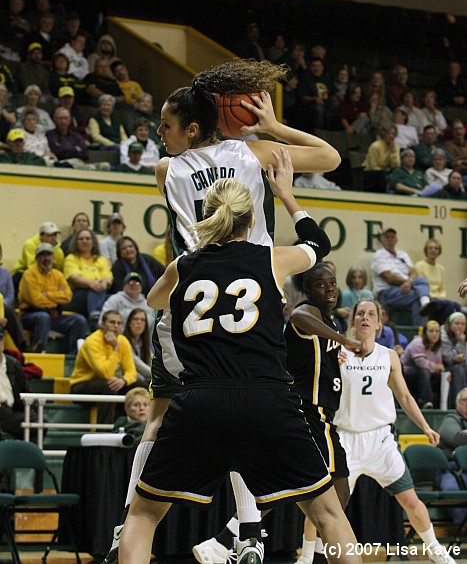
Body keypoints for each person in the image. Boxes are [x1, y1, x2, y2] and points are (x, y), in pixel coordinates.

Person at [102, 58, 341, 564]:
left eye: (166, 126)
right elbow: (330, 157)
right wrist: (273, 126)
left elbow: (154, 297)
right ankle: (250, 529)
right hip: (257, 291)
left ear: (190, 127)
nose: (159, 135)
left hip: (190, 293)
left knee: (162, 419)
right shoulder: (256, 154)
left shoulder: (166, 169)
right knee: (254, 407)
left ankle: (128, 522)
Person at [119, 156, 362, 564]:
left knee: (143, 517)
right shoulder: (270, 258)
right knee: (329, 515)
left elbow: (153, 300)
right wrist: (285, 193)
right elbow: (320, 244)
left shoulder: (183, 266)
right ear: (250, 221)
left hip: (200, 401)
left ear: (207, 217)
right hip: (268, 400)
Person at [334, 299, 456, 564]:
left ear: (379, 323)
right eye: (360, 314)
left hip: (380, 439)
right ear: (353, 320)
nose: (365, 318)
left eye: (371, 315)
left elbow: (405, 397)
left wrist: (425, 427)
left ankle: (436, 552)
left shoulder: (388, 356)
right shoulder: (338, 353)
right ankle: (308, 556)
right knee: (329, 507)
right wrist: (335, 356)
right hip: (346, 439)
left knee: (410, 500)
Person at [284, 262, 364, 564]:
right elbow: (298, 315)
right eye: (320, 284)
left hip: (315, 413)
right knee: (337, 489)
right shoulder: (309, 311)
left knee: (317, 494)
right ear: (307, 290)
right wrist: (343, 339)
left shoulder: (330, 320)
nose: (329, 289)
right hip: (311, 410)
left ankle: (227, 540)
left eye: (332, 283)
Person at [18, 242, 88, 354]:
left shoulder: (58, 275)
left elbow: (68, 296)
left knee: (79, 320)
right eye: (42, 255)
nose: (46, 258)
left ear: (53, 257)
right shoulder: (29, 274)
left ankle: (74, 356)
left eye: (49, 255)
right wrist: (56, 297)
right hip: (30, 316)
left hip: (54, 316)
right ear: (36, 258)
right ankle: (40, 352)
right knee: (43, 317)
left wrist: (47, 294)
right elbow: (35, 300)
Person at [69, 310, 138, 424]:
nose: (116, 326)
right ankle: (103, 432)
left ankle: (129, 427)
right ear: (103, 325)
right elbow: (105, 372)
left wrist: (124, 380)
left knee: (138, 388)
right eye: (112, 322)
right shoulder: (92, 341)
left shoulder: (123, 340)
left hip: (109, 383)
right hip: (81, 386)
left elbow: (132, 372)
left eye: (119, 323)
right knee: (109, 387)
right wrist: (116, 348)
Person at [371, 228, 440, 327]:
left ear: (396, 239)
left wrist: (409, 282)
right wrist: (409, 282)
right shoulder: (378, 256)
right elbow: (389, 277)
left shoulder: (402, 254)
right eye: (387, 237)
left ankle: (419, 331)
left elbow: (413, 272)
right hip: (387, 293)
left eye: (392, 237)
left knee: (421, 283)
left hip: (406, 289)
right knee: (420, 294)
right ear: (381, 240)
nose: (390, 239)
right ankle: (425, 303)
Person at [63, 228, 113, 326]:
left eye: (87, 239)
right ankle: (95, 321)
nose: (84, 241)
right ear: (76, 242)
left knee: (114, 298)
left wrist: (103, 284)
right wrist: (91, 284)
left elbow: (108, 278)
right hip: (77, 295)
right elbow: (74, 278)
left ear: (93, 242)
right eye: (81, 239)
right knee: (94, 291)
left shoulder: (101, 260)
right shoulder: (71, 258)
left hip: (99, 293)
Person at [0, 326, 37, 439]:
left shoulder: (13, 364)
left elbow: (26, 391)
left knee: (38, 422)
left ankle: (29, 455)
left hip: (12, 410)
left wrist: (33, 411)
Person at [438, 388, 467, 526]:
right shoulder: (450, 419)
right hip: (451, 469)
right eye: (465, 400)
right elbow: (457, 438)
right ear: (457, 404)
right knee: (452, 490)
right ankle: (462, 527)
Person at [401, 320, 445, 408]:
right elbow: (421, 363)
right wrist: (436, 367)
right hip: (408, 373)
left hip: (426, 374)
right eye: (431, 331)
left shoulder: (437, 345)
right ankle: (426, 401)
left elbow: (440, 366)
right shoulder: (417, 343)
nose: (434, 334)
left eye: (437, 331)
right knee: (424, 371)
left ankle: (446, 405)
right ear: (425, 332)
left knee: (445, 376)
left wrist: (443, 372)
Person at [414, 239, 461, 321]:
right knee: (448, 305)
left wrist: (442, 297)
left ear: (439, 251)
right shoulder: (419, 265)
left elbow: (442, 288)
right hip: (428, 297)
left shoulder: (441, 268)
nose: (433, 250)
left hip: (439, 298)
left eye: (436, 248)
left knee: (457, 306)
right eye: (430, 248)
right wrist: (435, 297)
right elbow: (422, 285)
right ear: (426, 251)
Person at [362, 125, 400, 193]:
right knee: (382, 175)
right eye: (389, 133)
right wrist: (385, 171)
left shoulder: (395, 146)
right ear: (383, 134)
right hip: (370, 173)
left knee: (399, 173)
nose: (391, 136)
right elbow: (372, 166)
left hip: (386, 172)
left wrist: (393, 152)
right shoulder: (375, 146)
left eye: (393, 134)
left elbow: (396, 165)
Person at [441, 313, 467, 409]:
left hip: (462, 365)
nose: (460, 326)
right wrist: (461, 342)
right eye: (457, 323)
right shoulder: (443, 334)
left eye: (463, 324)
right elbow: (447, 358)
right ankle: (459, 404)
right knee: (458, 369)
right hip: (446, 366)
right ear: (450, 324)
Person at [122, 308, 152, 386]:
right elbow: (138, 364)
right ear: (129, 323)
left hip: (143, 379)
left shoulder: (144, 342)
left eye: (142, 320)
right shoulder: (123, 340)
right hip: (128, 379)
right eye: (136, 319)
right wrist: (157, 375)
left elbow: (153, 361)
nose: (139, 322)